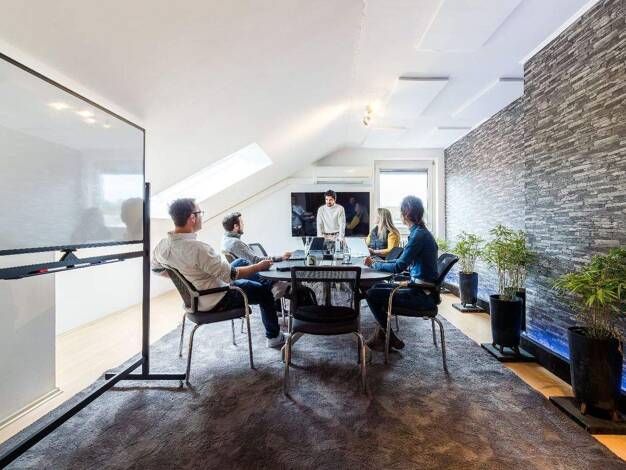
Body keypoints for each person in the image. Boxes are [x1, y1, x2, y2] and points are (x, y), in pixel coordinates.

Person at [152, 198, 285, 348]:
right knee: (264, 292)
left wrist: (184, 278)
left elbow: (156, 269)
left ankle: (274, 284)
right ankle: (274, 337)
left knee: (241, 261)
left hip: (196, 297)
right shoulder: (198, 248)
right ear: (192, 218)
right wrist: (258, 267)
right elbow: (232, 275)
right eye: (200, 212)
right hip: (217, 297)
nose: (202, 216)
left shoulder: (161, 246)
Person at [363, 196, 438, 351]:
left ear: (405, 214)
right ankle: (383, 335)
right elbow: (400, 262)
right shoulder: (420, 233)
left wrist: (374, 264)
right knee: (374, 288)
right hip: (420, 288)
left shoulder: (418, 236)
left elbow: (399, 266)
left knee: (371, 294)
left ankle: (388, 336)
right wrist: (379, 263)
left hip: (421, 295)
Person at [221, 212, 291, 263]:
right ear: (236, 226)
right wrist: (281, 258)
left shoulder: (226, 239)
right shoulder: (235, 243)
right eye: (241, 222)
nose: (243, 224)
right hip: (256, 275)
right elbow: (255, 261)